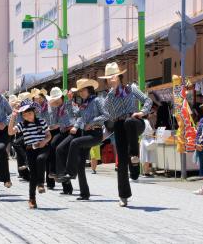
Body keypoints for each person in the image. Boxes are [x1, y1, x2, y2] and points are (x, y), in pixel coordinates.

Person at [98, 62, 152, 207]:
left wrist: (142, 112)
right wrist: (112, 93)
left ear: (119, 76)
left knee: (129, 122)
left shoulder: (131, 88)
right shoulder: (108, 96)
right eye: (108, 78)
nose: (111, 79)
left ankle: (134, 155)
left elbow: (148, 100)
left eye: (113, 76)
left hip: (135, 122)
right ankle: (123, 195)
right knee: (121, 162)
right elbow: (107, 113)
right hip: (119, 126)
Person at [59, 78, 107, 200]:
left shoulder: (97, 100)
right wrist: (69, 101)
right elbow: (74, 115)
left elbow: (106, 115)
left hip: (95, 133)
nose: (80, 93)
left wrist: (91, 122)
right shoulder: (84, 104)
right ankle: (84, 193)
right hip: (85, 133)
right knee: (80, 164)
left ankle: (69, 172)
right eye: (79, 91)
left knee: (74, 142)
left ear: (88, 90)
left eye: (81, 90)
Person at [8, 99, 52, 209]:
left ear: (34, 112)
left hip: (43, 147)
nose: (28, 116)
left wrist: (44, 142)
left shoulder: (41, 122)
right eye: (25, 114)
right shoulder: (22, 125)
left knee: (41, 159)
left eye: (30, 113)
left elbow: (49, 135)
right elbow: (10, 132)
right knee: (33, 176)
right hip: (30, 150)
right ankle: (32, 199)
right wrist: (13, 116)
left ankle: (41, 184)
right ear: (22, 115)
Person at [47, 87, 75, 195]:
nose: (56, 101)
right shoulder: (56, 108)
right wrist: (52, 107)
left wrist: (70, 100)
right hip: (62, 132)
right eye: (54, 99)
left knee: (60, 151)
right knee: (53, 144)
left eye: (58, 98)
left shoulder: (68, 104)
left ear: (62, 97)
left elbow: (75, 116)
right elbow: (55, 122)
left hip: (71, 131)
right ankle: (54, 172)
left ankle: (65, 183)